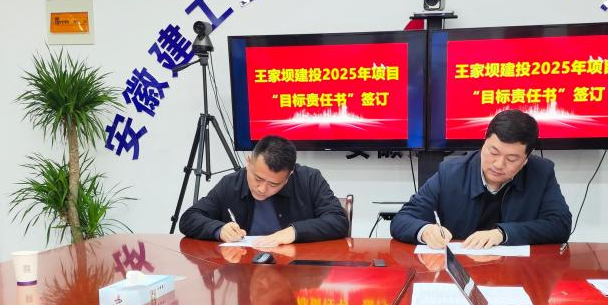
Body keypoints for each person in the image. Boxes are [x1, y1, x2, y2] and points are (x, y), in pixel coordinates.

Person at [391, 109, 571, 250]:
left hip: (515, 272)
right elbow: (402, 219)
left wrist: (502, 234)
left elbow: (560, 225)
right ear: (484, 142)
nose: (498, 164)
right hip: (462, 271)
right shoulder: (451, 173)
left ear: (525, 159)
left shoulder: (541, 172)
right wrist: (425, 231)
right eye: (493, 152)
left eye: (511, 159)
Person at [179, 135, 348, 245]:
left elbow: (338, 221)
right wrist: (218, 229)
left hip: (295, 271)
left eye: (274, 184)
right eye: (258, 178)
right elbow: (189, 218)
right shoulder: (230, 184)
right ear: (248, 162)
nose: (262, 189)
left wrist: (295, 232)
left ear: (289, 176)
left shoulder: (309, 179)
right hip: (245, 268)